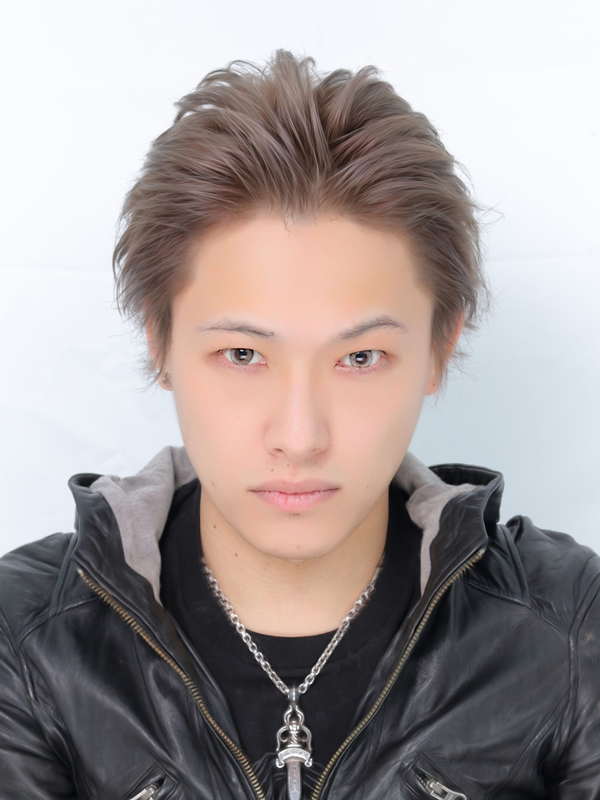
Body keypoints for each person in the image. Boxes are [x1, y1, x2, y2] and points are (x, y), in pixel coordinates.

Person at [0, 50, 598, 800]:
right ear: (160, 344)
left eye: (360, 357)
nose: (300, 435)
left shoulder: (571, 628)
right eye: (243, 354)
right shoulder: (25, 641)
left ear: (439, 351)